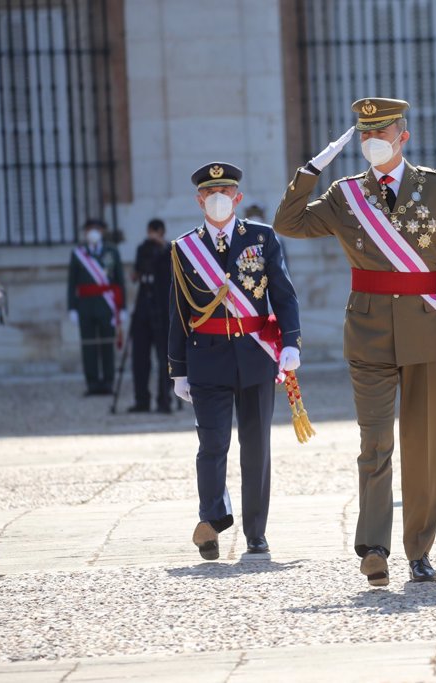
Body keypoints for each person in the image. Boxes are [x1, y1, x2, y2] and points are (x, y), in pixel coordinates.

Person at [273, 97, 436, 586]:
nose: (371, 141)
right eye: (364, 133)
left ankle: (418, 550)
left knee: (423, 445)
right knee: (376, 442)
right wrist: (311, 169)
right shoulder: (344, 196)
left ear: (401, 137)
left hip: (426, 331)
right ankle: (373, 548)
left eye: (381, 132)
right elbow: (289, 224)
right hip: (367, 334)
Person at [169, 161, 301, 560]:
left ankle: (255, 532)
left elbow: (283, 292)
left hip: (255, 354)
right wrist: (178, 369)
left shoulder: (261, 238)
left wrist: (291, 342)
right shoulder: (184, 248)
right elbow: (176, 312)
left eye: (225, 193)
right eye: (211, 194)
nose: (218, 199)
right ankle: (211, 521)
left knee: (256, 445)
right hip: (206, 358)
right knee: (212, 445)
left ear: (237, 197)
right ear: (199, 200)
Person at [67, 219, 125, 396]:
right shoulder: (78, 253)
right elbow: (72, 283)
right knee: (89, 345)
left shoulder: (112, 251)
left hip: (107, 304)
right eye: (89, 229)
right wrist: (72, 308)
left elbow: (119, 280)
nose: (93, 232)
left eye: (96, 228)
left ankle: (108, 382)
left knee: (107, 344)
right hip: (85, 305)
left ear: (102, 231)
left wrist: (122, 308)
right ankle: (92, 383)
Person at [128, 219, 171, 413]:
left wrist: (163, 246)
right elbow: (137, 272)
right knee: (140, 357)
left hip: (161, 309)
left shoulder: (169, 250)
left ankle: (165, 399)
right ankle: (141, 399)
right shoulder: (143, 249)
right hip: (143, 307)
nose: (152, 236)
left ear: (161, 232)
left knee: (164, 357)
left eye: (156, 232)